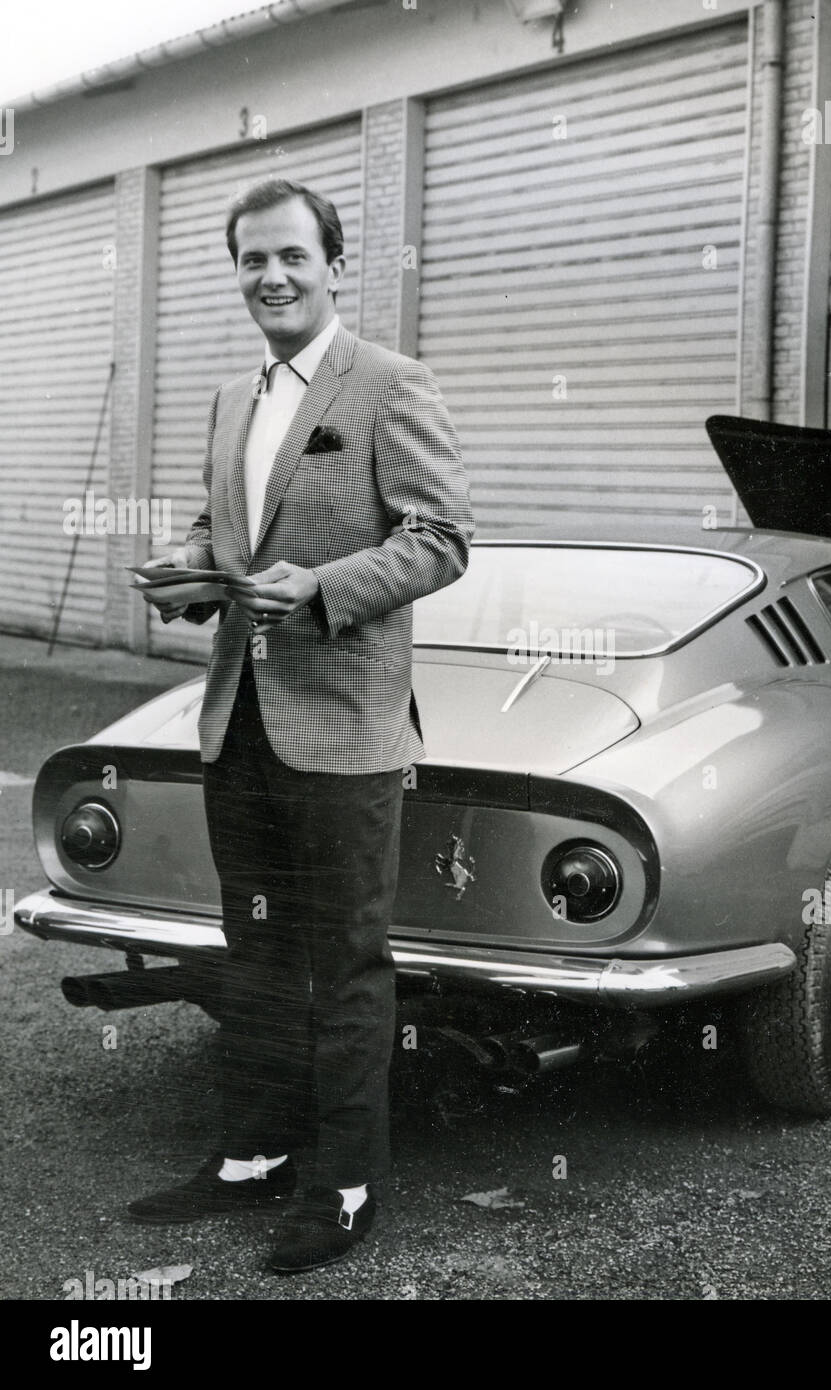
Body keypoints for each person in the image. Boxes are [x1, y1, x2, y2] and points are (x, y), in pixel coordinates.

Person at [130, 177, 473, 1273]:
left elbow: (441, 539)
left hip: (343, 730)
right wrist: (187, 571)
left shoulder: (388, 384)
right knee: (260, 955)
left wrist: (322, 586)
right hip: (239, 721)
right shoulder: (232, 398)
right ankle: (254, 1156)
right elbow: (210, 525)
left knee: (348, 963)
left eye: (290, 256)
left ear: (333, 265)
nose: (270, 276)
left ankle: (347, 1181)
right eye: (249, 260)